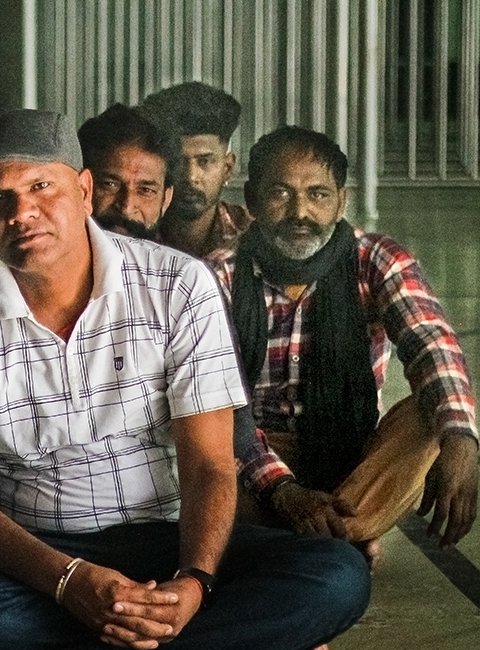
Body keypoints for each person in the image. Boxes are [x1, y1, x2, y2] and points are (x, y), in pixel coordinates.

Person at [0, 110, 370, 650]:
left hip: (165, 540)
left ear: (82, 190)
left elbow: (211, 462)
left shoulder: (178, 286)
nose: (21, 213)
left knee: (338, 576)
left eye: (41, 187)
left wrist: (195, 583)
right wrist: (70, 581)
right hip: (40, 554)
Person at [209, 126, 478, 564]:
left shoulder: (377, 259)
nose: (300, 212)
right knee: (201, 442)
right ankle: (339, 542)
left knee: (432, 413)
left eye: (317, 194)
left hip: (352, 458)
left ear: (341, 202)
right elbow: (221, 408)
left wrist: (461, 439)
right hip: (253, 459)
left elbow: (431, 344)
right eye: (280, 193)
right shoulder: (216, 275)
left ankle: (320, 534)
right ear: (253, 201)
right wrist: (283, 490)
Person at [140, 81, 252, 258]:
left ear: (227, 168)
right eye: (177, 160)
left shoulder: (253, 237)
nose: (190, 176)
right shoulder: (136, 233)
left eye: (204, 161)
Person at [76, 103, 177, 241]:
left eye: (145, 190)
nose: (126, 208)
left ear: (166, 199)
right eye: (110, 184)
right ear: (83, 186)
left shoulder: (178, 255)